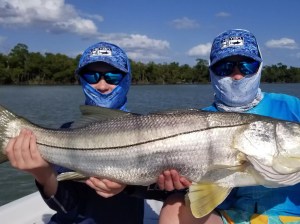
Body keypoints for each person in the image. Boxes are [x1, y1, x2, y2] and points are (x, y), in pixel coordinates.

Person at [5, 41, 191, 223]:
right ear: (81, 80)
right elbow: (67, 208)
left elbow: (175, 196)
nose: (102, 85)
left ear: (127, 80)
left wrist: (134, 185)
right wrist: (43, 174)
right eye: (92, 76)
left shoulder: (156, 132)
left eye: (112, 76)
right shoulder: (66, 132)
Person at [158, 29, 300, 224]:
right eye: (225, 67)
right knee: (174, 207)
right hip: (228, 217)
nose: (237, 75)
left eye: (246, 65)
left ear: (259, 67)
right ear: (211, 71)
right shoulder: (195, 119)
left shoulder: (293, 107)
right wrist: (172, 184)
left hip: (293, 216)